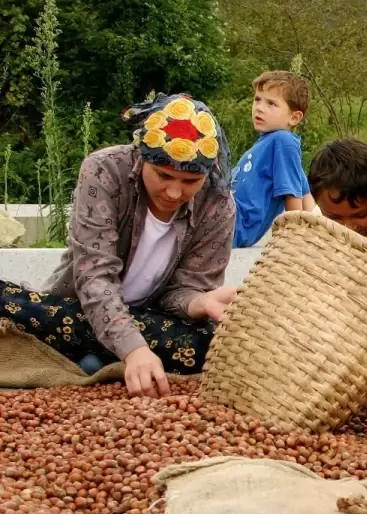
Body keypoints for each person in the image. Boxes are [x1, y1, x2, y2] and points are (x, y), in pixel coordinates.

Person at [0, 93, 236, 396]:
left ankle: (86, 355)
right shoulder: (104, 171)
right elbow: (94, 276)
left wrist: (199, 303)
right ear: (141, 156)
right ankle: (108, 355)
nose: (175, 192)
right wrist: (133, 349)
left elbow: (183, 289)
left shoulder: (217, 205)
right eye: (163, 175)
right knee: (21, 304)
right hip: (79, 307)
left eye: (191, 181)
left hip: (153, 321)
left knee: (204, 344)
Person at [231, 70, 315, 248]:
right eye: (257, 99)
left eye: (271, 103)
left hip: (234, 225)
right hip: (227, 218)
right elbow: (305, 193)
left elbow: (293, 194)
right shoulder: (270, 143)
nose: (259, 107)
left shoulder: (283, 141)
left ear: (294, 117)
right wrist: (316, 231)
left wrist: (297, 239)